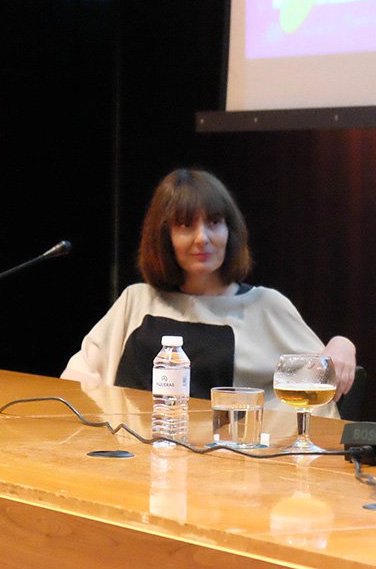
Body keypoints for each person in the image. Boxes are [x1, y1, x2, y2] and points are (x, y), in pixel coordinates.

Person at [62, 168, 356, 417]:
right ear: (164, 237)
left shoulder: (265, 306)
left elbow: (320, 386)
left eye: (214, 223)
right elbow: (78, 383)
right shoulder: (136, 300)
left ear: (230, 231)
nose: (202, 238)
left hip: (227, 462)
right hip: (127, 455)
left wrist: (343, 344)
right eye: (185, 225)